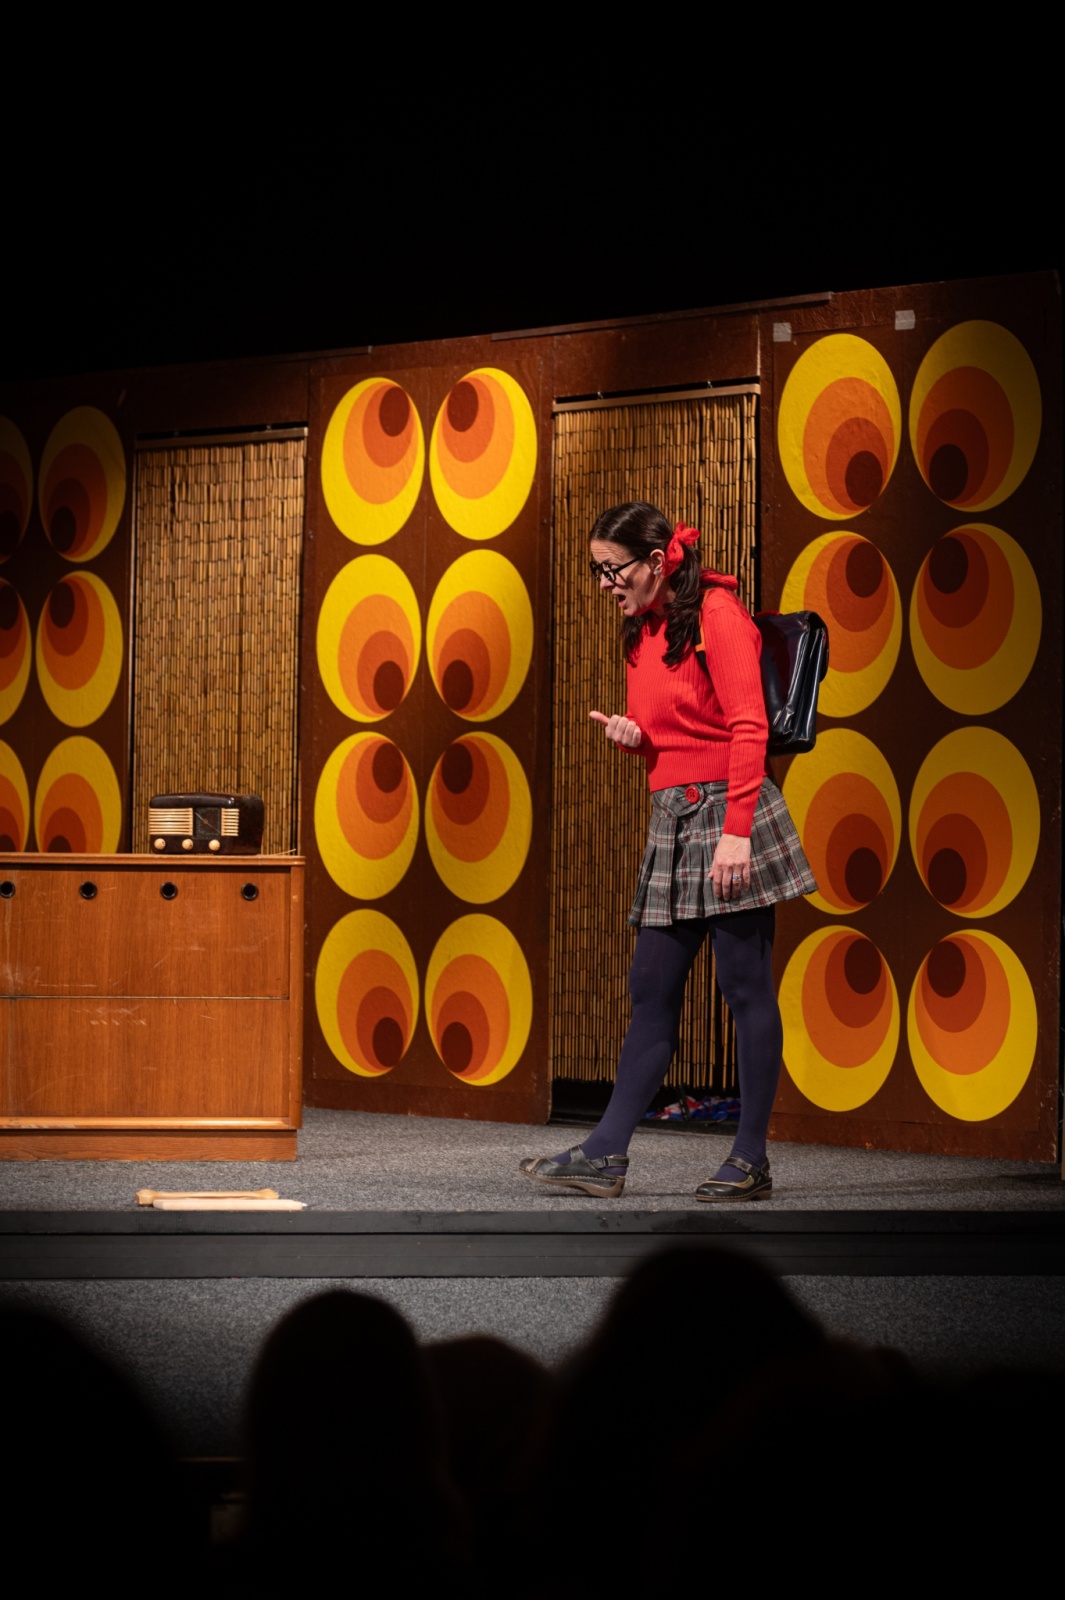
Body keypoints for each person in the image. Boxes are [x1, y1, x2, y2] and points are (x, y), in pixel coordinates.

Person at [520, 501, 816, 1202]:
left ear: (656, 561)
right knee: (651, 988)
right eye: (597, 571)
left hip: (728, 811)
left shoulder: (716, 613)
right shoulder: (642, 627)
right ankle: (604, 1154)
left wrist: (737, 830)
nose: (605, 585)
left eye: (612, 569)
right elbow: (684, 728)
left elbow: (747, 726)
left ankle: (750, 1158)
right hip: (672, 818)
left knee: (744, 986)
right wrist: (639, 739)